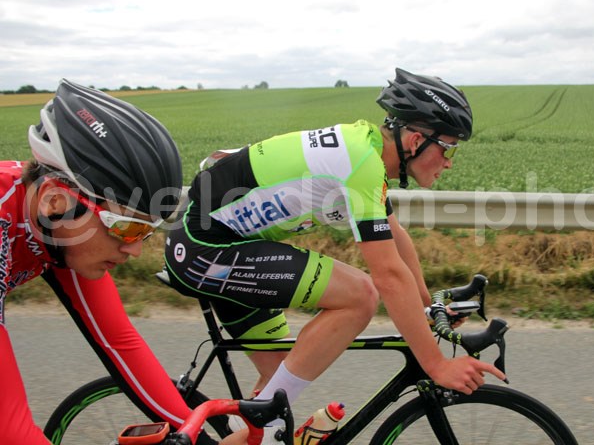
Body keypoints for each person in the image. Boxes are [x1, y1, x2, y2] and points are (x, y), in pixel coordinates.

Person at [163, 68, 506, 444]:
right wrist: (436, 365)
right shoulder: (361, 163)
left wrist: (427, 308)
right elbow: (388, 276)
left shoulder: (366, 151)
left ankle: (258, 431)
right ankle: (264, 426)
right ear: (415, 140)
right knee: (360, 295)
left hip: (225, 245)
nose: (450, 162)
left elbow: (396, 238)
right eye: (449, 148)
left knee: (280, 383)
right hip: (206, 248)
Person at [0, 80, 204, 444]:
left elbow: (119, 343)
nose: (135, 250)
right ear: (55, 200)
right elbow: (10, 429)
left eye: (145, 232)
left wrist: (196, 436)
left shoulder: (59, 232)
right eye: (125, 228)